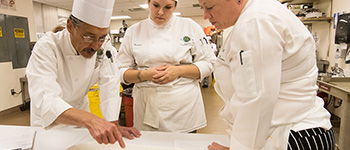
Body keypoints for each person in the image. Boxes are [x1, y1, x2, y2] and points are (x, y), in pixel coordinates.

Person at [198, 0, 335, 149]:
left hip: (291, 136)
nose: (205, 15)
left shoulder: (255, 22)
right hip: (286, 132)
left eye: (209, 7)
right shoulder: (257, 15)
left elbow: (256, 99)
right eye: (202, 8)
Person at [26, 0, 141, 148]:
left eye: (101, 38)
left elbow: (110, 84)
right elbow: (45, 99)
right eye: (89, 37)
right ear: (70, 26)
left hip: (81, 117)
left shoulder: (104, 46)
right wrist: (92, 120)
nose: (95, 46)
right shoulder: (47, 47)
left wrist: (112, 124)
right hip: (50, 122)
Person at [116, 0, 216, 132]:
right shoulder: (134, 31)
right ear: (148, 3)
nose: (160, 12)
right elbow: (120, 71)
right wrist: (145, 75)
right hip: (147, 105)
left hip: (183, 107)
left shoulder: (189, 26)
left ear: (175, 6)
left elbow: (209, 63)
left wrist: (178, 71)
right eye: (156, 5)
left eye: (168, 7)